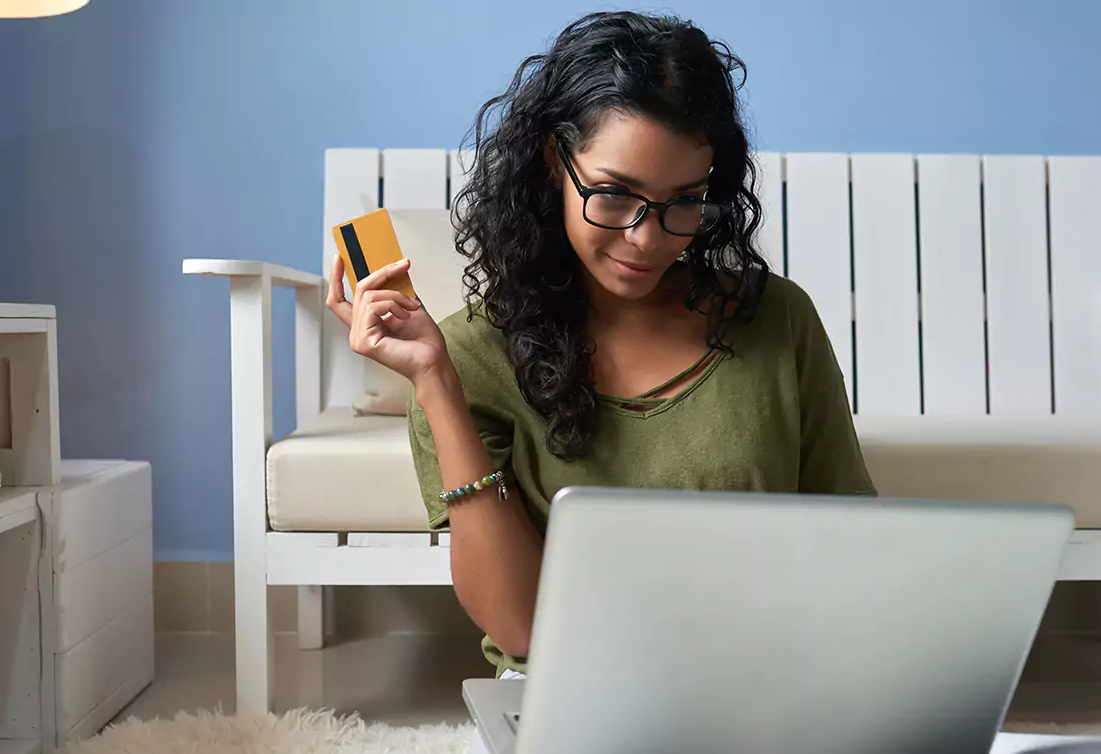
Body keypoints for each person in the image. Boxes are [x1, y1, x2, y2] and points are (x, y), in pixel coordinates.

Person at [327, 10, 875, 686]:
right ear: (557, 161)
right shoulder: (469, 357)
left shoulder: (777, 320)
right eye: (615, 195)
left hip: (762, 680)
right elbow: (520, 626)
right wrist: (435, 383)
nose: (647, 239)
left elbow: (849, 545)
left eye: (686, 201)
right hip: (569, 687)